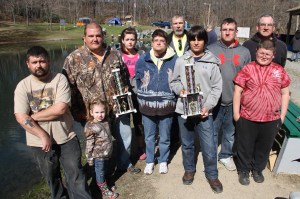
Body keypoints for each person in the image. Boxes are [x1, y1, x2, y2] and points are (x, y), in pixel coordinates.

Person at [62, 22, 141, 174]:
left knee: (125, 136)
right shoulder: (73, 59)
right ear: (84, 37)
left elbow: (124, 77)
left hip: (118, 108)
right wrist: (76, 112)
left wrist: (126, 98)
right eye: (91, 36)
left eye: (98, 35)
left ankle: (124, 163)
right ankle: (100, 173)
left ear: (103, 36)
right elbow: (68, 88)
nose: (95, 39)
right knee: (99, 143)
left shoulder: (115, 54)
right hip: (93, 114)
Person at [14, 46, 91, 199]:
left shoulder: (60, 79)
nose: (39, 65)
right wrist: (42, 135)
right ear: (27, 64)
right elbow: (20, 117)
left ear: (48, 61)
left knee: (76, 173)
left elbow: (60, 109)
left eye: (42, 61)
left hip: (66, 136)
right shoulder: (22, 86)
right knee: (51, 177)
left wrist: (33, 117)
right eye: (34, 62)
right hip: (38, 142)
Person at [170, 25, 223, 193]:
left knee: (209, 145)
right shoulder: (181, 60)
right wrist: (181, 90)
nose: (196, 42)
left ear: (205, 41)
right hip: (184, 111)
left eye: (199, 39)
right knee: (187, 144)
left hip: (204, 112)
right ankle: (189, 170)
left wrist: (208, 106)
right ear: (189, 41)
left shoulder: (212, 62)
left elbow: (217, 88)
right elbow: (174, 82)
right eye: (193, 39)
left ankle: (212, 175)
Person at [233, 39, 290, 186]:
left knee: (264, 147)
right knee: (245, 146)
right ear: (256, 52)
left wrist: (281, 117)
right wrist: (236, 114)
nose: (264, 56)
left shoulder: (280, 71)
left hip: (271, 118)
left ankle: (258, 169)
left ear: (273, 55)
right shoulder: (247, 68)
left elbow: (285, 93)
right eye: (261, 53)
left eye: (268, 54)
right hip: (247, 117)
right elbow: (238, 91)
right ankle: (244, 170)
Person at [207, 18, 251, 171]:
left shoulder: (244, 52)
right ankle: (210, 155)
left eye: (231, 29)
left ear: (236, 32)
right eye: (224, 29)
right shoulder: (211, 49)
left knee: (229, 132)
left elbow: (247, 78)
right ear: (220, 31)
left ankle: (225, 155)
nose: (227, 32)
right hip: (215, 100)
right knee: (212, 131)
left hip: (234, 100)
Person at [135, 29, 177, 175]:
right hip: (147, 106)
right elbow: (138, 80)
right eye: (156, 40)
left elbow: (177, 80)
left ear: (166, 44)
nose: (159, 43)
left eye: (162, 41)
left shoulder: (175, 60)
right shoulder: (143, 59)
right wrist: (142, 97)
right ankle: (150, 161)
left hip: (167, 106)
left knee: (165, 136)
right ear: (152, 43)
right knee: (149, 136)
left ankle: (163, 160)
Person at [119, 27, 146, 161]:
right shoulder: (117, 55)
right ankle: (124, 150)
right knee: (124, 123)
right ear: (122, 40)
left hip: (138, 92)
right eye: (127, 39)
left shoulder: (141, 54)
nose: (130, 42)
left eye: (132, 39)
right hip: (123, 93)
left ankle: (140, 147)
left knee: (138, 121)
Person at [84, 100, 118, 199]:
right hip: (98, 156)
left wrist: (116, 110)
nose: (100, 115)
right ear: (91, 113)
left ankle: (106, 183)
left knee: (106, 170)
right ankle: (104, 191)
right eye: (97, 112)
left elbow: (112, 121)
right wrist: (89, 158)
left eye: (102, 112)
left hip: (107, 153)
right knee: (100, 172)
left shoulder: (106, 121)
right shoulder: (90, 126)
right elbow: (89, 144)